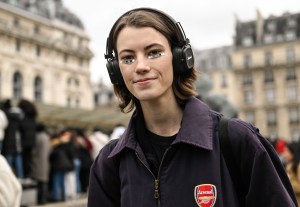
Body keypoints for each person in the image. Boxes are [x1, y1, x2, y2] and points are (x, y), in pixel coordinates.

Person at [88, 8, 297, 207]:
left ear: (180, 58)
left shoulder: (237, 140)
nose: (140, 66)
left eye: (153, 53)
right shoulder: (109, 163)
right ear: (115, 71)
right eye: (128, 58)